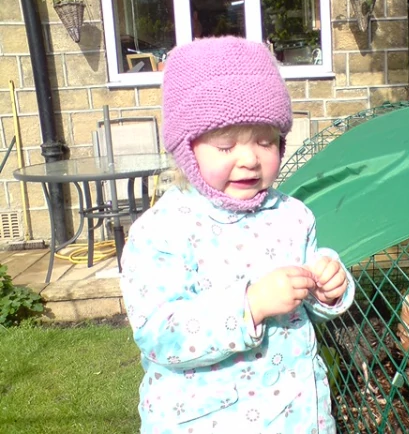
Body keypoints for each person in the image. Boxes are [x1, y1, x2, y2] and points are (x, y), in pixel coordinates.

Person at [120, 36, 355, 434]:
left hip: (298, 416)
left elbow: (309, 305)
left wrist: (328, 288)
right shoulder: (163, 231)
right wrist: (250, 305)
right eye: (226, 146)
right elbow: (159, 332)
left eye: (265, 141)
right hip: (208, 420)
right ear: (186, 149)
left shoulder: (293, 216)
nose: (249, 159)